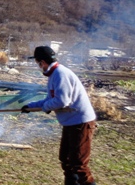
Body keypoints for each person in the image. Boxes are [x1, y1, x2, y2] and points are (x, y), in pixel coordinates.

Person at [21, 46, 97, 185]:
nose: (38, 66)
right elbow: (50, 99)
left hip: (80, 122)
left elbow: (62, 101)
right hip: (70, 122)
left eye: (38, 63)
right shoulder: (53, 75)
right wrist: (30, 106)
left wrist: (45, 107)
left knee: (79, 164)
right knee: (66, 160)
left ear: (42, 62)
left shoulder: (61, 74)